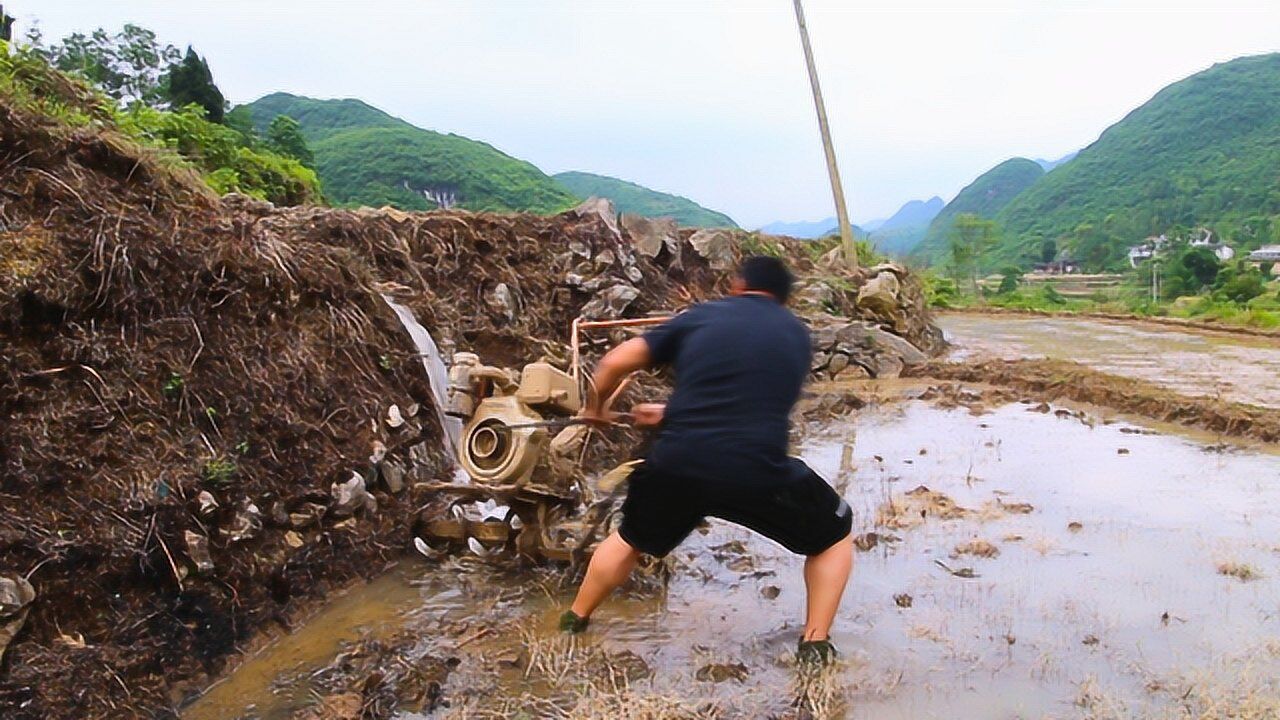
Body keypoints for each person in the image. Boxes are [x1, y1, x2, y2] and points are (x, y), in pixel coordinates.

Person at [561, 255, 854, 664]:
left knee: (630, 539)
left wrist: (596, 407)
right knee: (834, 535)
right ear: (783, 298)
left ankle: (574, 621)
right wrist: (669, 412)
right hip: (757, 470)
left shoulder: (698, 317)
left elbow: (613, 362)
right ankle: (814, 643)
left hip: (678, 465)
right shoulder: (795, 335)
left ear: (738, 284)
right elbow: (744, 402)